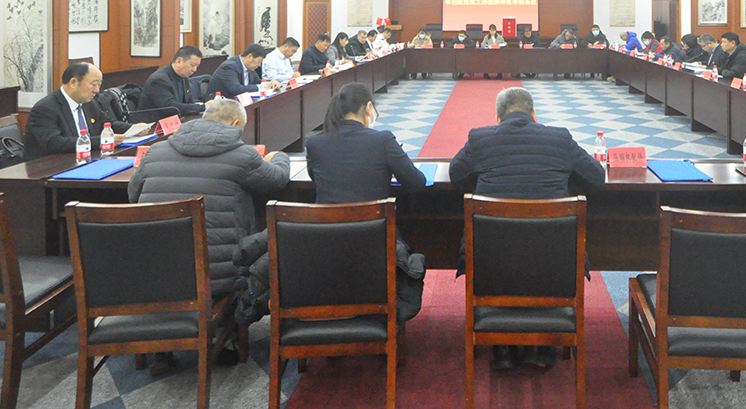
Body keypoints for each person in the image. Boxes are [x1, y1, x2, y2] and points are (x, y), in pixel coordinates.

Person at [130, 98, 290, 375]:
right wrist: (279, 156)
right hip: (217, 276)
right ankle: (224, 335)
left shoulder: (155, 152)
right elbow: (277, 179)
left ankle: (161, 348)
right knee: (257, 252)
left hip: (153, 273)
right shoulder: (242, 155)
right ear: (236, 123)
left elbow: (133, 196)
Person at [450, 87, 605, 370]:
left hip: (491, 262)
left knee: (500, 256)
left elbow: (455, 175)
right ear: (534, 114)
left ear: (497, 117)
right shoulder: (560, 138)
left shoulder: (480, 138)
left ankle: (503, 347)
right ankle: (540, 344)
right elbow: (597, 177)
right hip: (554, 262)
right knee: (541, 256)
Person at [300, 83, 428, 321]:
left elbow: (315, 178)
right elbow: (416, 182)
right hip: (375, 240)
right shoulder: (382, 140)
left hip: (324, 240)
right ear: (369, 107)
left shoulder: (315, 144)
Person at [23, 62, 146, 161]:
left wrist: (134, 129)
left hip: (84, 160)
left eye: (99, 85)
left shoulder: (88, 103)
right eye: (94, 85)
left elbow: (107, 123)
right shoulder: (45, 108)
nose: (97, 90)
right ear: (73, 83)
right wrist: (101, 141)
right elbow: (54, 143)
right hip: (49, 168)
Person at [140, 45, 206, 116]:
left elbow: (189, 99)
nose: (194, 69)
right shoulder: (159, 80)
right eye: (192, 65)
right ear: (178, 61)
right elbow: (171, 108)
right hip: (155, 121)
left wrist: (199, 104)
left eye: (197, 66)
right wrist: (202, 107)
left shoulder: (183, 76)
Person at [207, 44, 280, 98]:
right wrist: (260, 87)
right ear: (249, 57)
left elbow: (257, 82)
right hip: (220, 103)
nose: (259, 65)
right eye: (259, 62)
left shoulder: (250, 67)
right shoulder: (229, 67)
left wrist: (270, 84)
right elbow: (236, 89)